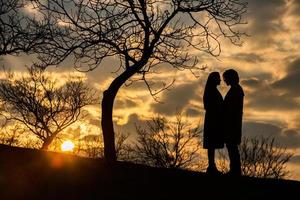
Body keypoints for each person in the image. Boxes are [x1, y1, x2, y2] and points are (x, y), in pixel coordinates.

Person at [223, 69, 244, 176]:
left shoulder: (236, 90)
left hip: (232, 123)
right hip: (232, 123)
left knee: (232, 146)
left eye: (225, 78)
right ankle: (234, 170)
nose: (224, 80)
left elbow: (232, 108)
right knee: (231, 146)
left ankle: (235, 170)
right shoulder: (236, 89)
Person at [203, 72, 224, 175]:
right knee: (211, 144)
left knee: (212, 145)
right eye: (218, 78)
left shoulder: (212, 90)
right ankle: (211, 166)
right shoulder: (211, 91)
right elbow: (211, 106)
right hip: (212, 121)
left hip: (213, 120)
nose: (220, 80)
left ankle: (212, 166)